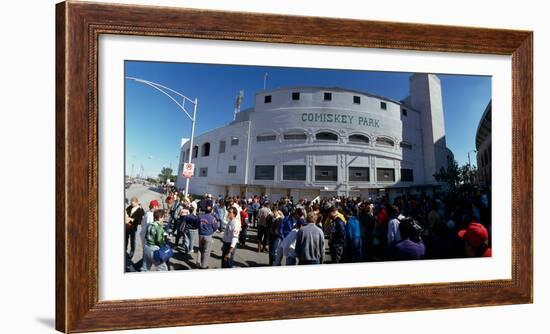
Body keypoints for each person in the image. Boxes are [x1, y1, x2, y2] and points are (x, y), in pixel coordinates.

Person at [140, 199, 159, 271]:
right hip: (146, 237)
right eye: (157, 206)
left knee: (146, 255)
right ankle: (140, 268)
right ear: (154, 206)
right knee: (147, 254)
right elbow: (150, 228)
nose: (158, 208)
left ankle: (138, 267)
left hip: (144, 235)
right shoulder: (150, 215)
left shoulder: (148, 213)